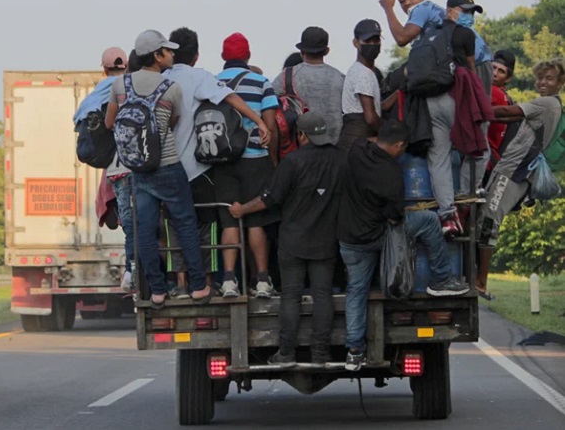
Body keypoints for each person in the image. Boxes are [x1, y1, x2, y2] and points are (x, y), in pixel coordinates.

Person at [338, 120, 469, 372]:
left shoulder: (356, 150)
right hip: (377, 235)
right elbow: (395, 217)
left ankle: (354, 351)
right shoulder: (391, 174)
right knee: (430, 220)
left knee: (356, 290)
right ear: (398, 145)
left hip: (349, 238)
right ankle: (441, 279)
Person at [161, 27, 271, 298]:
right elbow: (232, 99)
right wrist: (258, 122)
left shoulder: (161, 79)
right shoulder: (202, 78)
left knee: (175, 224)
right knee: (210, 225)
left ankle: (182, 283)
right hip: (201, 168)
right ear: (197, 55)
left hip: (166, 167)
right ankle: (213, 282)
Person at [105, 29, 212, 308]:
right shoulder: (170, 88)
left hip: (137, 170)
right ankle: (198, 286)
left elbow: (109, 123)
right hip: (167, 164)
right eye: (167, 50)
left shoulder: (120, 86)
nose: (172, 55)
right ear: (157, 55)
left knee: (145, 230)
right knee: (185, 224)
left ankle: (157, 291)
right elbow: (173, 122)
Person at [229, 112, 346, 366]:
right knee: (323, 295)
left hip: (293, 241)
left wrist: (241, 210)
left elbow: (270, 199)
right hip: (326, 241)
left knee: (290, 297)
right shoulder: (340, 159)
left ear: (301, 135)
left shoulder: (292, 161)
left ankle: (286, 353)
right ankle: (320, 354)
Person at [476, 58, 565, 295]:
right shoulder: (549, 104)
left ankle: (481, 281)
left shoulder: (546, 103)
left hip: (515, 171)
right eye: (540, 77)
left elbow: (507, 111)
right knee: (484, 217)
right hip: (511, 169)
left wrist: (474, 109)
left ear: (560, 83)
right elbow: (507, 117)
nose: (543, 82)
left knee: (489, 219)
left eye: (549, 78)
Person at [216, 32, 280, 298]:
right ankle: (263, 280)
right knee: (256, 222)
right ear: (248, 56)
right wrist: (273, 161)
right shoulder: (261, 82)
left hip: (221, 160)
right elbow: (271, 124)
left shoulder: (212, 83)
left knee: (229, 221)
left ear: (223, 57)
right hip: (256, 159)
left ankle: (229, 280)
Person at [73, 47, 135, 291]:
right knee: (141, 222)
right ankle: (136, 269)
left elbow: (78, 119)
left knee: (128, 222)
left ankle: (131, 273)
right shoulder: (129, 86)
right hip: (135, 164)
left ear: (104, 69)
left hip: (114, 169)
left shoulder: (94, 95)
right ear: (127, 66)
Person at [271, 27, 345, 144]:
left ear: (301, 51)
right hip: (335, 149)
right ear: (327, 51)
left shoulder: (287, 75)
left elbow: (268, 102)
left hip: (299, 150)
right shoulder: (340, 78)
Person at [337, 19, 396, 152]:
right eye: (367, 41)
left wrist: (399, 93)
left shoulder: (364, 71)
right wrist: (389, 134)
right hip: (358, 141)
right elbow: (370, 118)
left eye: (376, 41)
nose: (373, 45)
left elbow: (377, 106)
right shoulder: (362, 73)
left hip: (355, 140)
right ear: (356, 43)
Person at [446, 0, 494, 97]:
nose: (470, 15)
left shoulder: (468, 30)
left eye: (472, 12)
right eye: (465, 11)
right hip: (474, 69)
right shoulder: (448, 31)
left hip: (483, 67)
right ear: (449, 12)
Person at [378, 0, 445, 48]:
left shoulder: (423, 8)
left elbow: (401, 38)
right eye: (402, 1)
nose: (407, 3)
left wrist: (388, 8)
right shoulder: (431, 9)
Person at [486, 50, 517, 178]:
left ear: (508, 78)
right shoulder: (507, 97)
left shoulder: (492, 91)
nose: (494, 74)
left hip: (484, 160)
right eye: (493, 68)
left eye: (501, 71)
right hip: (494, 161)